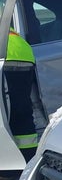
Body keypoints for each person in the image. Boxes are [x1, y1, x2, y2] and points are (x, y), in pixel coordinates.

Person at [5, 28, 38, 162]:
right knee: (21, 111)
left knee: (5, 112)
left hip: (5, 55)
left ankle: (7, 168)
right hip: (23, 53)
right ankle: (29, 159)